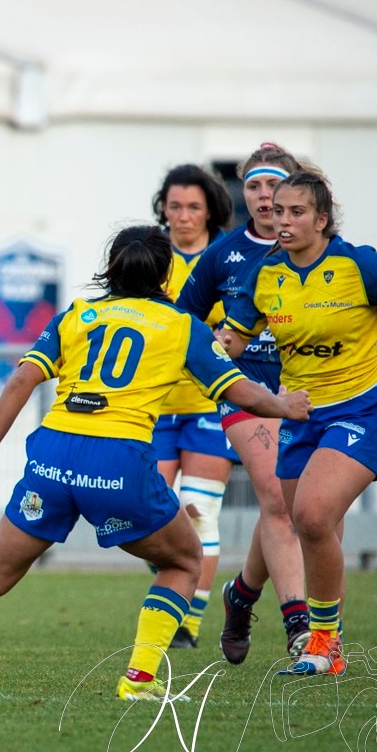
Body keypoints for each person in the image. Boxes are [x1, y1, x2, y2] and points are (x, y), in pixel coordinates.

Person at [0, 225, 312, 701]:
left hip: (52, 457)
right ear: (166, 273)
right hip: (118, 459)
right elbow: (241, 391)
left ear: (110, 267)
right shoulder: (182, 326)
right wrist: (287, 406)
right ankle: (138, 680)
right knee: (183, 561)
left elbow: (20, 381)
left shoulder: (77, 315)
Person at [218, 172, 377, 676]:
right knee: (306, 527)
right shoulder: (265, 274)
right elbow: (235, 339)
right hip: (301, 413)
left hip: (360, 410)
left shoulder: (358, 263)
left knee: (313, 518)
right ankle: (249, 597)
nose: (282, 220)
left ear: (321, 219)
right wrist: (200, 352)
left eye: (295, 212)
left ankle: (323, 643)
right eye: (276, 211)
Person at [177, 143, 312, 663]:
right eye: (253, 185)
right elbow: (182, 317)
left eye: (273, 186)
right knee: (279, 501)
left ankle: (242, 594)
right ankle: (301, 627)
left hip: (312, 390)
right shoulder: (224, 253)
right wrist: (212, 346)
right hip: (248, 394)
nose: (262, 195)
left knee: (312, 514)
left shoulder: (325, 252)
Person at [149, 164, 236, 648]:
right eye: (175, 205)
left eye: (193, 207)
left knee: (200, 510)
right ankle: (168, 568)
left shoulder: (229, 256)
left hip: (209, 402)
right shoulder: (150, 252)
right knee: (147, 507)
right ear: (163, 206)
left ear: (210, 211)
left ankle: (188, 623)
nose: (182, 216)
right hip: (156, 405)